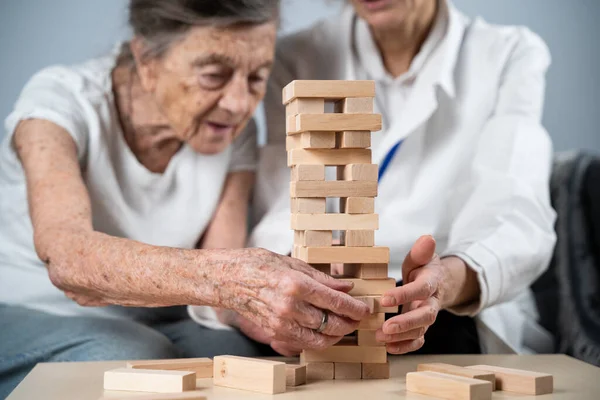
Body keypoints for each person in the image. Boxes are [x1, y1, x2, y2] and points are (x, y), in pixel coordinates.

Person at [0, 1, 370, 396]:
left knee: (234, 352)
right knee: (132, 351)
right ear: (147, 59)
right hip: (33, 309)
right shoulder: (59, 102)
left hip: (158, 313)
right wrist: (233, 280)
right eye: (214, 76)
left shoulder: (231, 131)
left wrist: (260, 315)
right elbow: (67, 259)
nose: (240, 104)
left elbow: (222, 286)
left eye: (258, 76)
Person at [245, 0, 557, 356]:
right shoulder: (294, 57)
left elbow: (513, 206)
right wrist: (304, 270)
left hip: (450, 302)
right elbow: (284, 205)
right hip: (331, 291)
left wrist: (447, 282)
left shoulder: (508, 53)